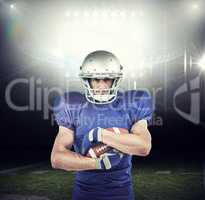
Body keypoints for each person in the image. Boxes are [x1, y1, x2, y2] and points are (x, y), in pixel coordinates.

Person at [51, 50, 153, 200]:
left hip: (122, 192)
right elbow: (57, 158)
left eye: (107, 79)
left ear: (115, 80)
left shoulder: (132, 103)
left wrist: (102, 135)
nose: (101, 85)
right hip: (84, 193)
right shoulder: (72, 105)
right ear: (87, 80)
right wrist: (96, 164)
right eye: (95, 80)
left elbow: (144, 146)